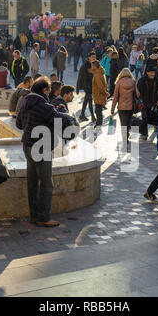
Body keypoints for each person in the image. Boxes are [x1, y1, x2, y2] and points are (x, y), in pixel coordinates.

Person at [16, 77, 73, 227]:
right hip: (41, 148)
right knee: (47, 184)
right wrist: (61, 109)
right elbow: (61, 121)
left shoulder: (25, 102)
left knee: (33, 182)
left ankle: (34, 215)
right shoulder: (43, 105)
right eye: (48, 91)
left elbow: (19, 124)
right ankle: (44, 218)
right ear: (44, 90)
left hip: (27, 146)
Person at [111, 68, 136, 151]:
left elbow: (115, 97)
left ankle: (124, 140)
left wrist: (112, 109)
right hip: (130, 106)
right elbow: (137, 94)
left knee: (123, 124)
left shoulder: (118, 83)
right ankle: (127, 136)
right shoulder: (133, 82)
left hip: (121, 107)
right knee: (128, 123)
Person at [137, 66, 158, 140]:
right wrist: (140, 101)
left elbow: (157, 91)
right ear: (147, 73)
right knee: (144, 118)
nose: (153, 74)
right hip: (144, 102)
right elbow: (138, 92)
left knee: (151, 116)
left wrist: (157, 100)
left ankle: (154, 128)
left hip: (152, 102)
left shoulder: (156, 80)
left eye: (154, 72)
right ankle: (145, 133)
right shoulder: (142, 80)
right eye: (151, 72)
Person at [77, 52, 97, 122]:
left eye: (95, 57)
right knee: (90, 100)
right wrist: (78, 87)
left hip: (92, 85)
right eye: (92, 57)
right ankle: (93, 116)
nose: (94, 58)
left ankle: (82, 114)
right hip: (87, 86)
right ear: (89, 57)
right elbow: (81, 76)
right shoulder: (85, 65)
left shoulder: (95, 64)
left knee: (86, 100)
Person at [91, 60, 109, 131]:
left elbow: (100, 86)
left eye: (92, 66)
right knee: (98, 110)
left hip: (99, 95)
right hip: (99, 95)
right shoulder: (99, 72)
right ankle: (98, 124)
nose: (91, 67)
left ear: (95, 66)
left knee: (98, 111)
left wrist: (105, 93)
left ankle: (98, 125)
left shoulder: (97, 75)